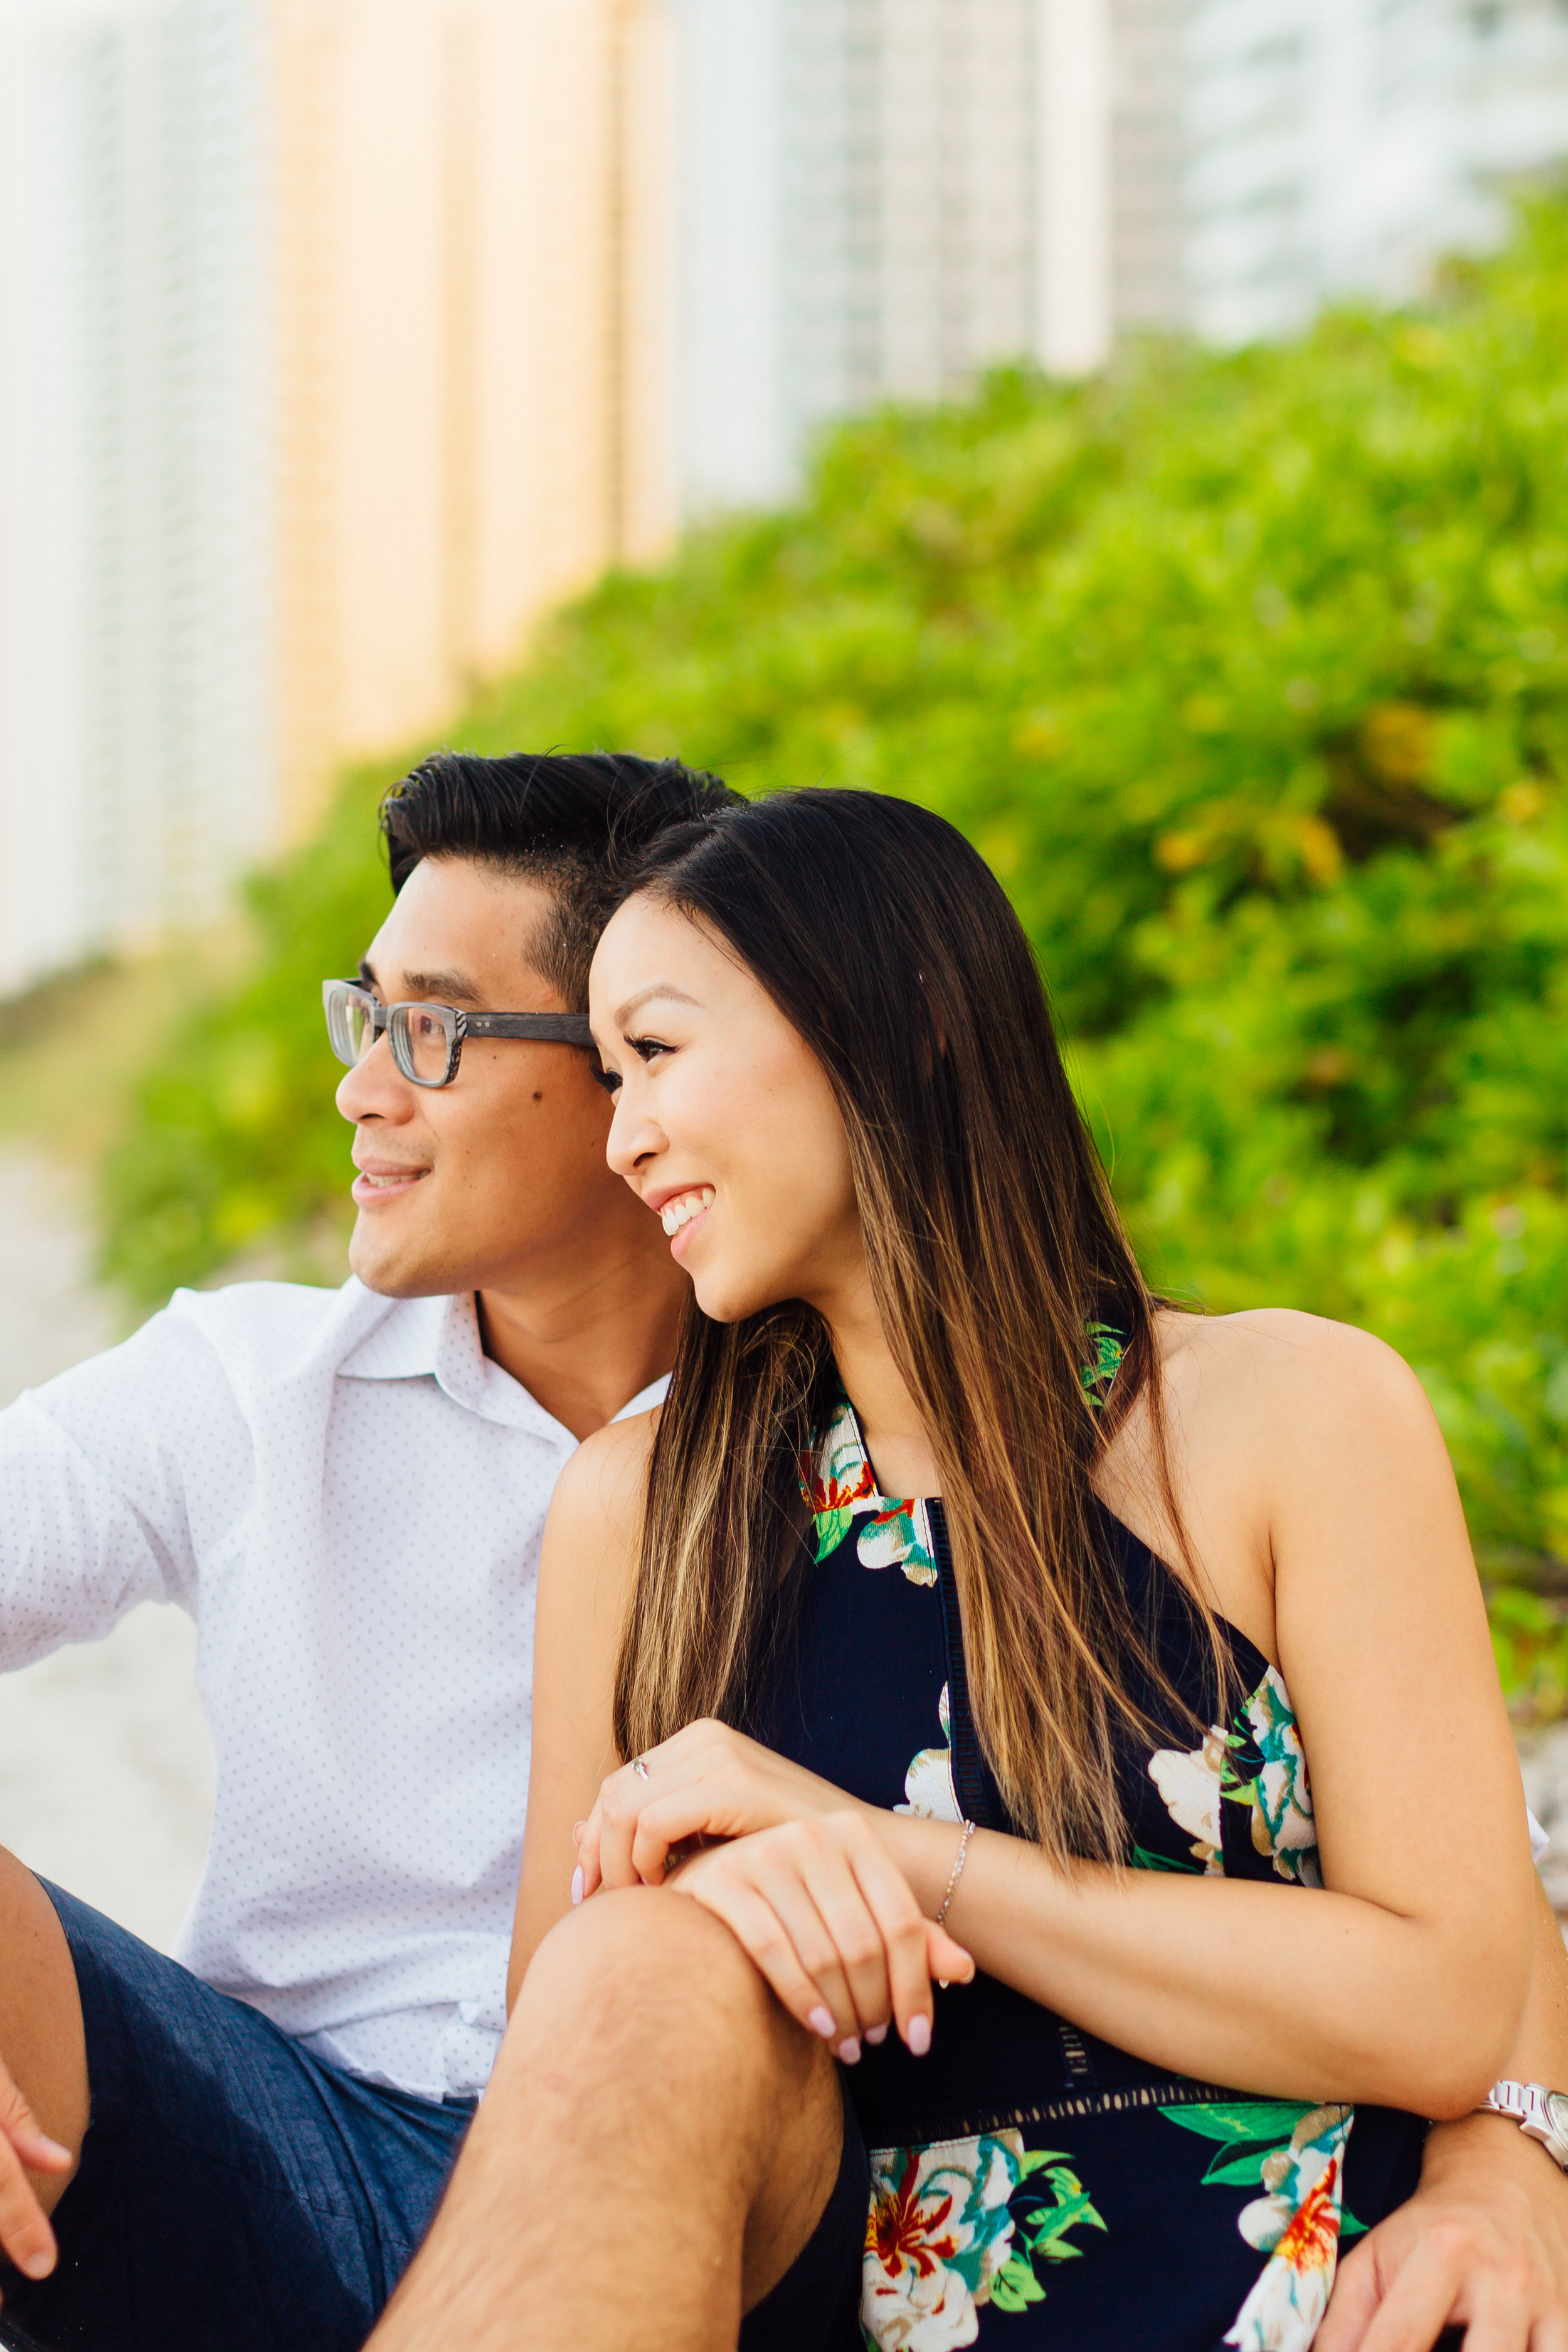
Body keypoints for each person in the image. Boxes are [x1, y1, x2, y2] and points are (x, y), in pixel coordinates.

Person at [373, 787, 1568, 2352]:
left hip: (1297, 2285)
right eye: (604, 1079)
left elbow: (1444, 2005)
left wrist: (884, 1853)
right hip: (830, 2281)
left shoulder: (1286, 1416)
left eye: (656, 1056)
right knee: (637, 1959)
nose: (622, 1137)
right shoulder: (637, 1515)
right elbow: (587, 2083)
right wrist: (746, 1889)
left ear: (903, 1022)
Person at [0, 751, 738, 2351]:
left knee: (663, 1992)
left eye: (433, 1030)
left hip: (710, 2168)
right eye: (366, 1015)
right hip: (277, 2141)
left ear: (641, 1070)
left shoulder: (856, 1416)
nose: (361, 1092)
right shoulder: (251, 1389)